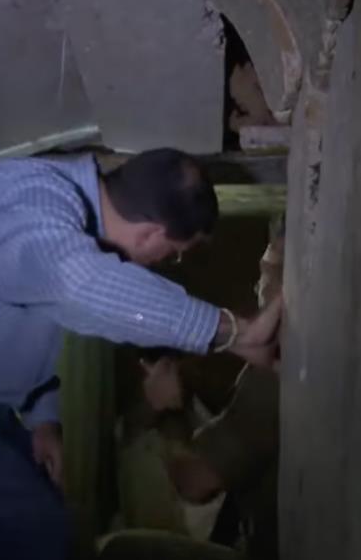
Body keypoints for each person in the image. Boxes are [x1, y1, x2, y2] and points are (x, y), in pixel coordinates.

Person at [0, 148, 282, 560]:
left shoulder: (61, 220)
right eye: (173, 252)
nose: (164, 262)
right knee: (31, 532)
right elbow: (80, 284)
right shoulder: (34, 202)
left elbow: (38, 312)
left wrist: (42, 416)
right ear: (151, 235)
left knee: (44, 519)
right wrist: (232, 331)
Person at [140, 218, 285, 559]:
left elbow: (195, 482)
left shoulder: (279, 378)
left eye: (268, 271)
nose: (259, 285)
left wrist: (167, 413)